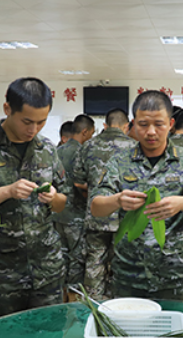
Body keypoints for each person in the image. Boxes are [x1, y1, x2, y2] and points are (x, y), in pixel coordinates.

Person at [0, 77, 69, 323]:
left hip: (47, 271)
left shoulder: (47, 150)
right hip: (2, 274)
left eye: (41, 122)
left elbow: (63, 202)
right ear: (7, 109)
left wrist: (53, 197)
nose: (34, 129)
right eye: (27, 121)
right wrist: (6, 192)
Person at [90, 90, 183, 300]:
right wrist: (117, 200)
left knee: (178, 331)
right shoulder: (119, 162)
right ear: (132, 124)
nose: (151, 132)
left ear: (171, 124)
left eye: (159, 124)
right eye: (143, 124)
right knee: (130, 331)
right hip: (129, 274)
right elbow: (96, 206)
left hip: (176, 274)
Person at [72, 108, 135, 297]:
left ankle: (93, 307)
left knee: (94, 262)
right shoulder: (134, 146)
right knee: (122, 263)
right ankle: (119, 306)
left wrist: (94, 190)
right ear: (126, 126)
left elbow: (77, 179)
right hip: (124, 217)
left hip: (96, 214)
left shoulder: (88, 146)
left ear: (105, 125)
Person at [55, 114, 94, 294]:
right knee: (77, 259)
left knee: (60, 256)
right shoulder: (83, 151)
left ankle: (60, 297)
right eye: (91, 134)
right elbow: (82, 183)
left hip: (57, 214)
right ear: (85, 132)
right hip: (76, 216)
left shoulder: (58, 150)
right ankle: (73, 301)